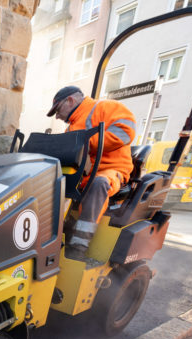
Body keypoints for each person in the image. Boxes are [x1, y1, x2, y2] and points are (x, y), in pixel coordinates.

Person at [47, 86, 136, 260]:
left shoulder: (106, 107)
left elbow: (125, 132)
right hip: (84, 173)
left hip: (111, 170)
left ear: (70, 101)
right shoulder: (70, 129)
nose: (57, 116)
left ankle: (80, 245)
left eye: (58, 110)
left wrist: (85, 143)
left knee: (98, 183)